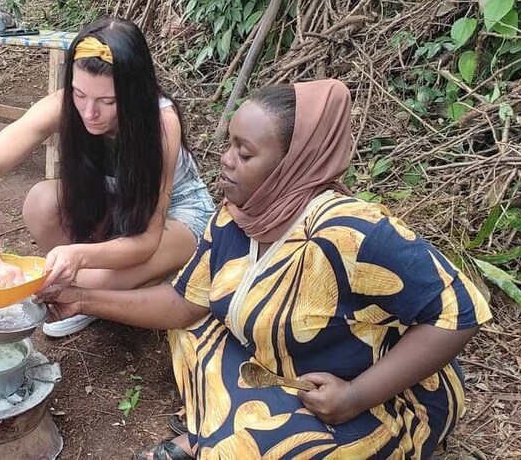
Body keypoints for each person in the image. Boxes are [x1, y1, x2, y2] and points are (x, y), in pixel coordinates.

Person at [39, 79, 492, 459]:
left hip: (374, 395)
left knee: (253, 451)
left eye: (245, 152)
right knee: (190, 333)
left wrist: (356, 396)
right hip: (282, 365)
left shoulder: (352, 230)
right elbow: (183, 305)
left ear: (293, 164)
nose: (226, 159)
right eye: (229, 145)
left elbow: (459, 312)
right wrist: (81, 299)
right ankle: (214, 433)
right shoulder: (236, 216)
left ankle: (214, 438)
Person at [0, 17, 215, 337]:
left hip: (175, 216)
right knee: (40, 202)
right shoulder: (64, 104)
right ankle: (110, 283)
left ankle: (101, 292)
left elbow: (147, 241)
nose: (89, 112)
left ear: (134, 93)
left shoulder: (162, 123)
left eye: (107, 101)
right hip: (116, 204)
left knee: (94, 278)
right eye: (80, 94)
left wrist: (79, 255)